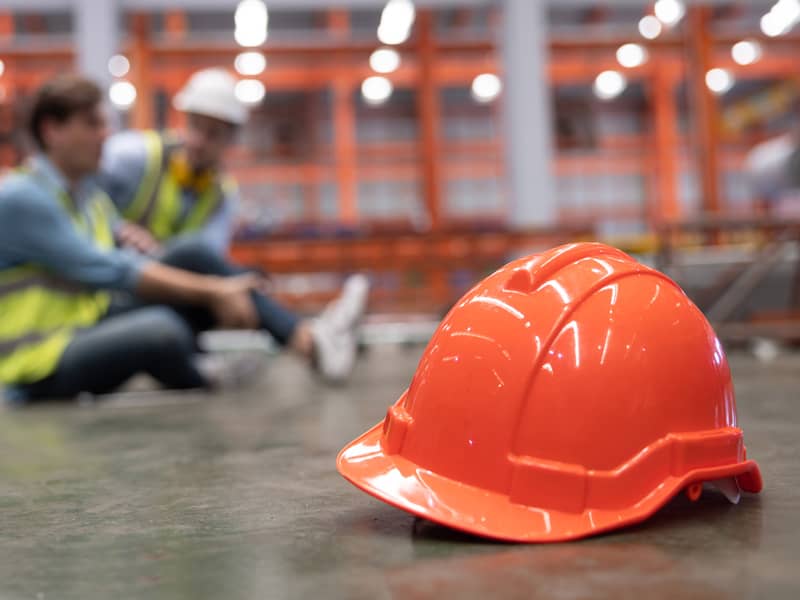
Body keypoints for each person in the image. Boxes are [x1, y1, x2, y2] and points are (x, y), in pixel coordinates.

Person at [0, 74, 368, 403]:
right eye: (92, 125)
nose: (105, 136)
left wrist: (210, 283)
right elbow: (111, 269)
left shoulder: (89, 198)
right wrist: (211, 290)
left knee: (193, 255)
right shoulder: (23, 196)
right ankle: (228, 366)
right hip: (33, 361)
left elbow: (131, 252)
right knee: (163, 330)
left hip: (85, 319)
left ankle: (310, 338)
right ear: (51, 130)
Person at [99, 68, 247, 254]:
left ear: (230, 140)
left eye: (213, 134)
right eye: (195, 126)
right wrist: (118, 226)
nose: (198, 141)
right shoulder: (134, 155)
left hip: (171, 279)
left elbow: (210, 253)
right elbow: (83, 192)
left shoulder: (222, 195)